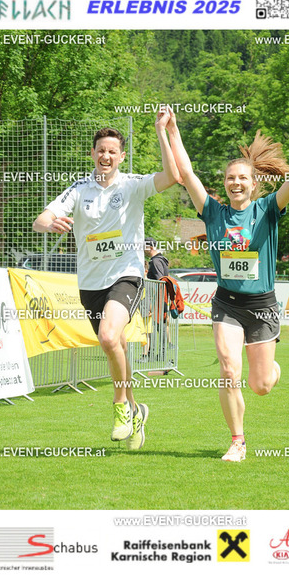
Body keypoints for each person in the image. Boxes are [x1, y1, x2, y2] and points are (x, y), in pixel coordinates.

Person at [166, 109, 289, 462]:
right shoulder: (213, 212)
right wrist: (172, 129)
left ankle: (271, 370)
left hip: (261, 306)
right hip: (226, 304)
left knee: (261, 386)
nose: (236, 183)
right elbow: (186, 174)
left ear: (254, 184)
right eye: (230, 178)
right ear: (225, 183)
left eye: (242, 178)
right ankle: (237, 441)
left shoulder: (267, 209)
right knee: (229, 370)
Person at [33, 111, 179, 450]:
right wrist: (49, 223)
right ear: (93, 154)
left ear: (121, 156)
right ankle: (136, 409)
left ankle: (119, 407)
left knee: (109, 336)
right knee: (116, 346)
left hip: (126, 275)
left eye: (113, 151)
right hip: (90, 284)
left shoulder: (133, 185)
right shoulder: (78, 189)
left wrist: (162, 130)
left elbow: (172, 176)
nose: (106, 156)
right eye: (101, 150)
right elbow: (40, 219)